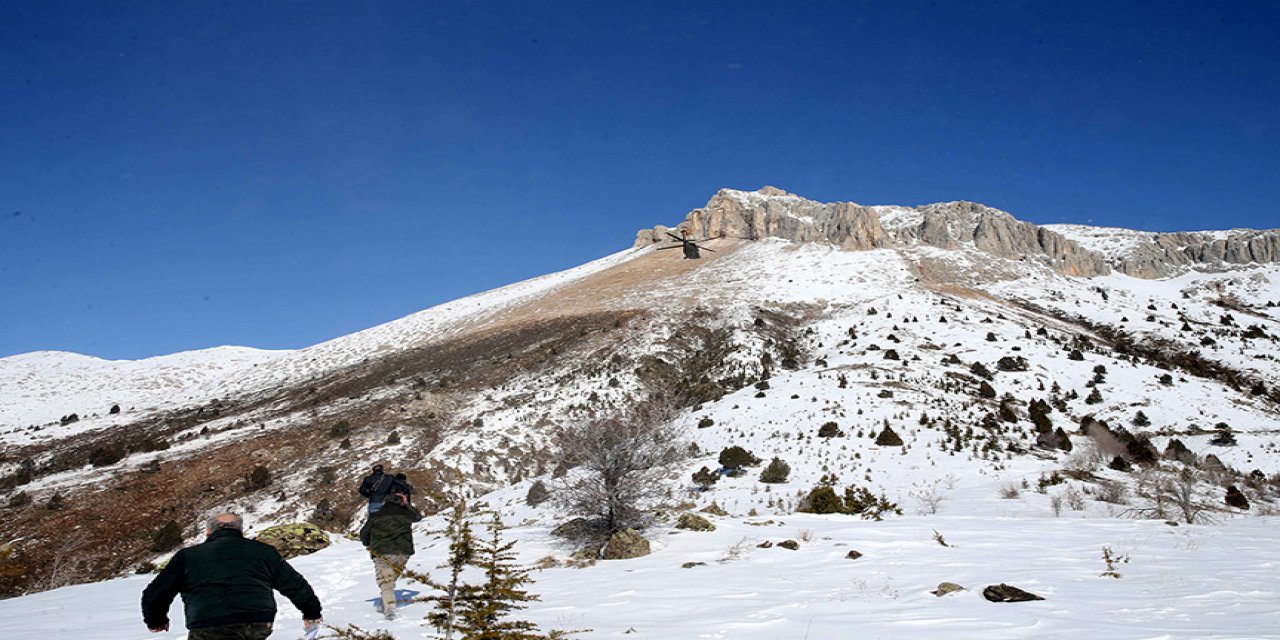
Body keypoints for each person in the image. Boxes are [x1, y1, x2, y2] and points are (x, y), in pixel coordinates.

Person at [141, 513, 323, 639]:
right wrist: (311, 612)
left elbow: (156, 592)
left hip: (210, 622)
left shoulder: (189, 556)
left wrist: (156, 620)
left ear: (208, 531)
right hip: (259, 620)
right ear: (240, 530)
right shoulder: (264, 552)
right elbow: (294, 584)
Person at [359, 492, 422, 620]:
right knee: (390, 579)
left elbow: (363, 534)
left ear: (384, 502)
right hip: (403, 553)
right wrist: (407, 505)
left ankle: (390, 609)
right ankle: (387, 600)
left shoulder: (375, 515)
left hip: (382, 553)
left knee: (386, 582)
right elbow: (418, 517)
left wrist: (369, 544)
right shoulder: (406, 515)